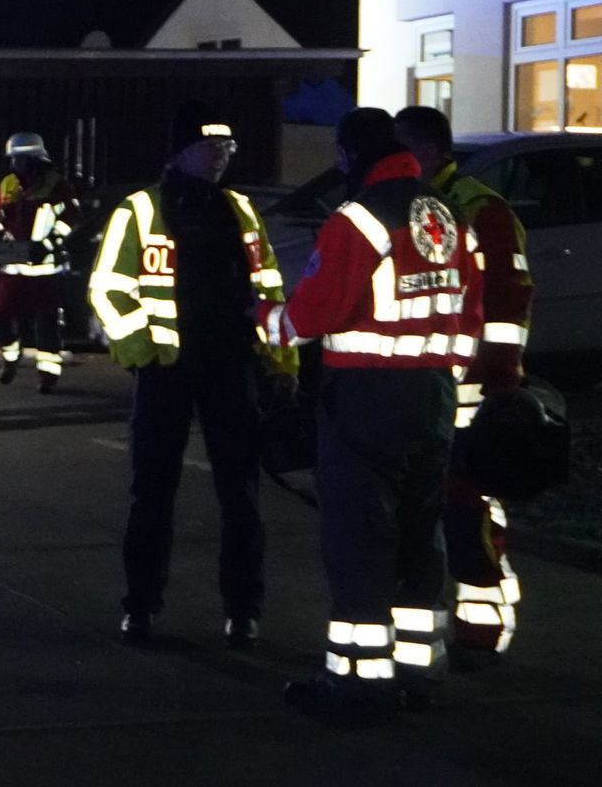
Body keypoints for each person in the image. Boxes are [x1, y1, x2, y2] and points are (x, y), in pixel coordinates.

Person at [259, 107, 482, 714]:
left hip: (367, 399)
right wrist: (448, 380)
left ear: (346, 155)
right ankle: (419, 673)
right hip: (433, 397)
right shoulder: (448, 213)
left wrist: (264, 320)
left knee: (360, 538)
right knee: (420, 535)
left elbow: (313, 315)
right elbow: (471, 314)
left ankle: (357, 682)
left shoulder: (358, 218)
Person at [89, 102, 297, 649]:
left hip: (231, 364)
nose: (220, 156)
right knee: (152, 494)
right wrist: (144, 352)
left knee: (241, 495)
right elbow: (108, 287)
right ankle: (140, 606)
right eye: (210, 147)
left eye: (227, 148)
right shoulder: (141, 210)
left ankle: (244, 610)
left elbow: (269, 287)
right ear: (181, 151)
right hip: (166, 372)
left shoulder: (240, 210)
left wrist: (282, 361)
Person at [396, 105, 533, 667]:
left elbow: (507, 304)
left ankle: (482, 633)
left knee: (467, 511)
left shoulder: (479, 208)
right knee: (431, 514)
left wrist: (500, 380)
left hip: (469, 393)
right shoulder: (420, 205)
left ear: (428, 152)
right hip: (428, 387)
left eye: (403, 151)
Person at [0, 132, 83, 393]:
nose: (16, 164)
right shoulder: (8, 184)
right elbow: (0, 216)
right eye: (13, 159)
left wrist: (49, 243)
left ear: (35, 159)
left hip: (46, 268)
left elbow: (72, 217)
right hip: (14, 267)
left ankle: (47, 375)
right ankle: (10, 357)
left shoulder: (56, 185)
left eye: (21, 159)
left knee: (46, 324)